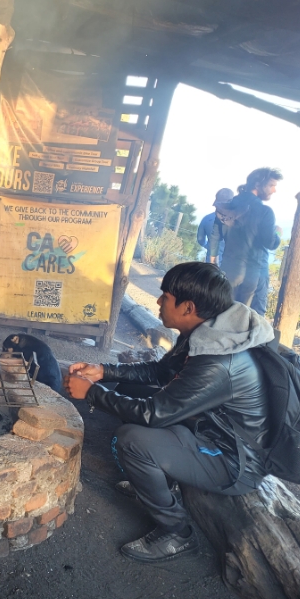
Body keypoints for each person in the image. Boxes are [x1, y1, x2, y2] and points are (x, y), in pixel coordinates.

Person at [64, 262, 273, 563]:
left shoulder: (218, 362)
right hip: (211, 429)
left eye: (165, 296)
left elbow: (153, 415)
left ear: (187, 307)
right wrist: (103, 371)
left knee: (132, 439)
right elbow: (162, 371)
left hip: (233, 460)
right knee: (132, 392)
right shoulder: (208, 332)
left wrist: (93, 392)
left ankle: (176, 531)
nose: (158, 302)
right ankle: (162, 480)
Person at [208, 167, 282, 310]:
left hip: (227, 270)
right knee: (251, 318)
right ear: (258, 185)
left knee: (221, 311)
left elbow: (215, 236)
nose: (274, 190)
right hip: (254, 273)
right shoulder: (265, 212)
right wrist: (278, 233)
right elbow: (271, 243)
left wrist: (213, 263)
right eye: (271, 185)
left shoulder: (226, 207)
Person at [196, 188, 233, 263]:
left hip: (211, 264)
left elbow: (200, 239)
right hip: (230, 266)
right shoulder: (238, 221)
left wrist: (208, 247)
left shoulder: (207, 219)